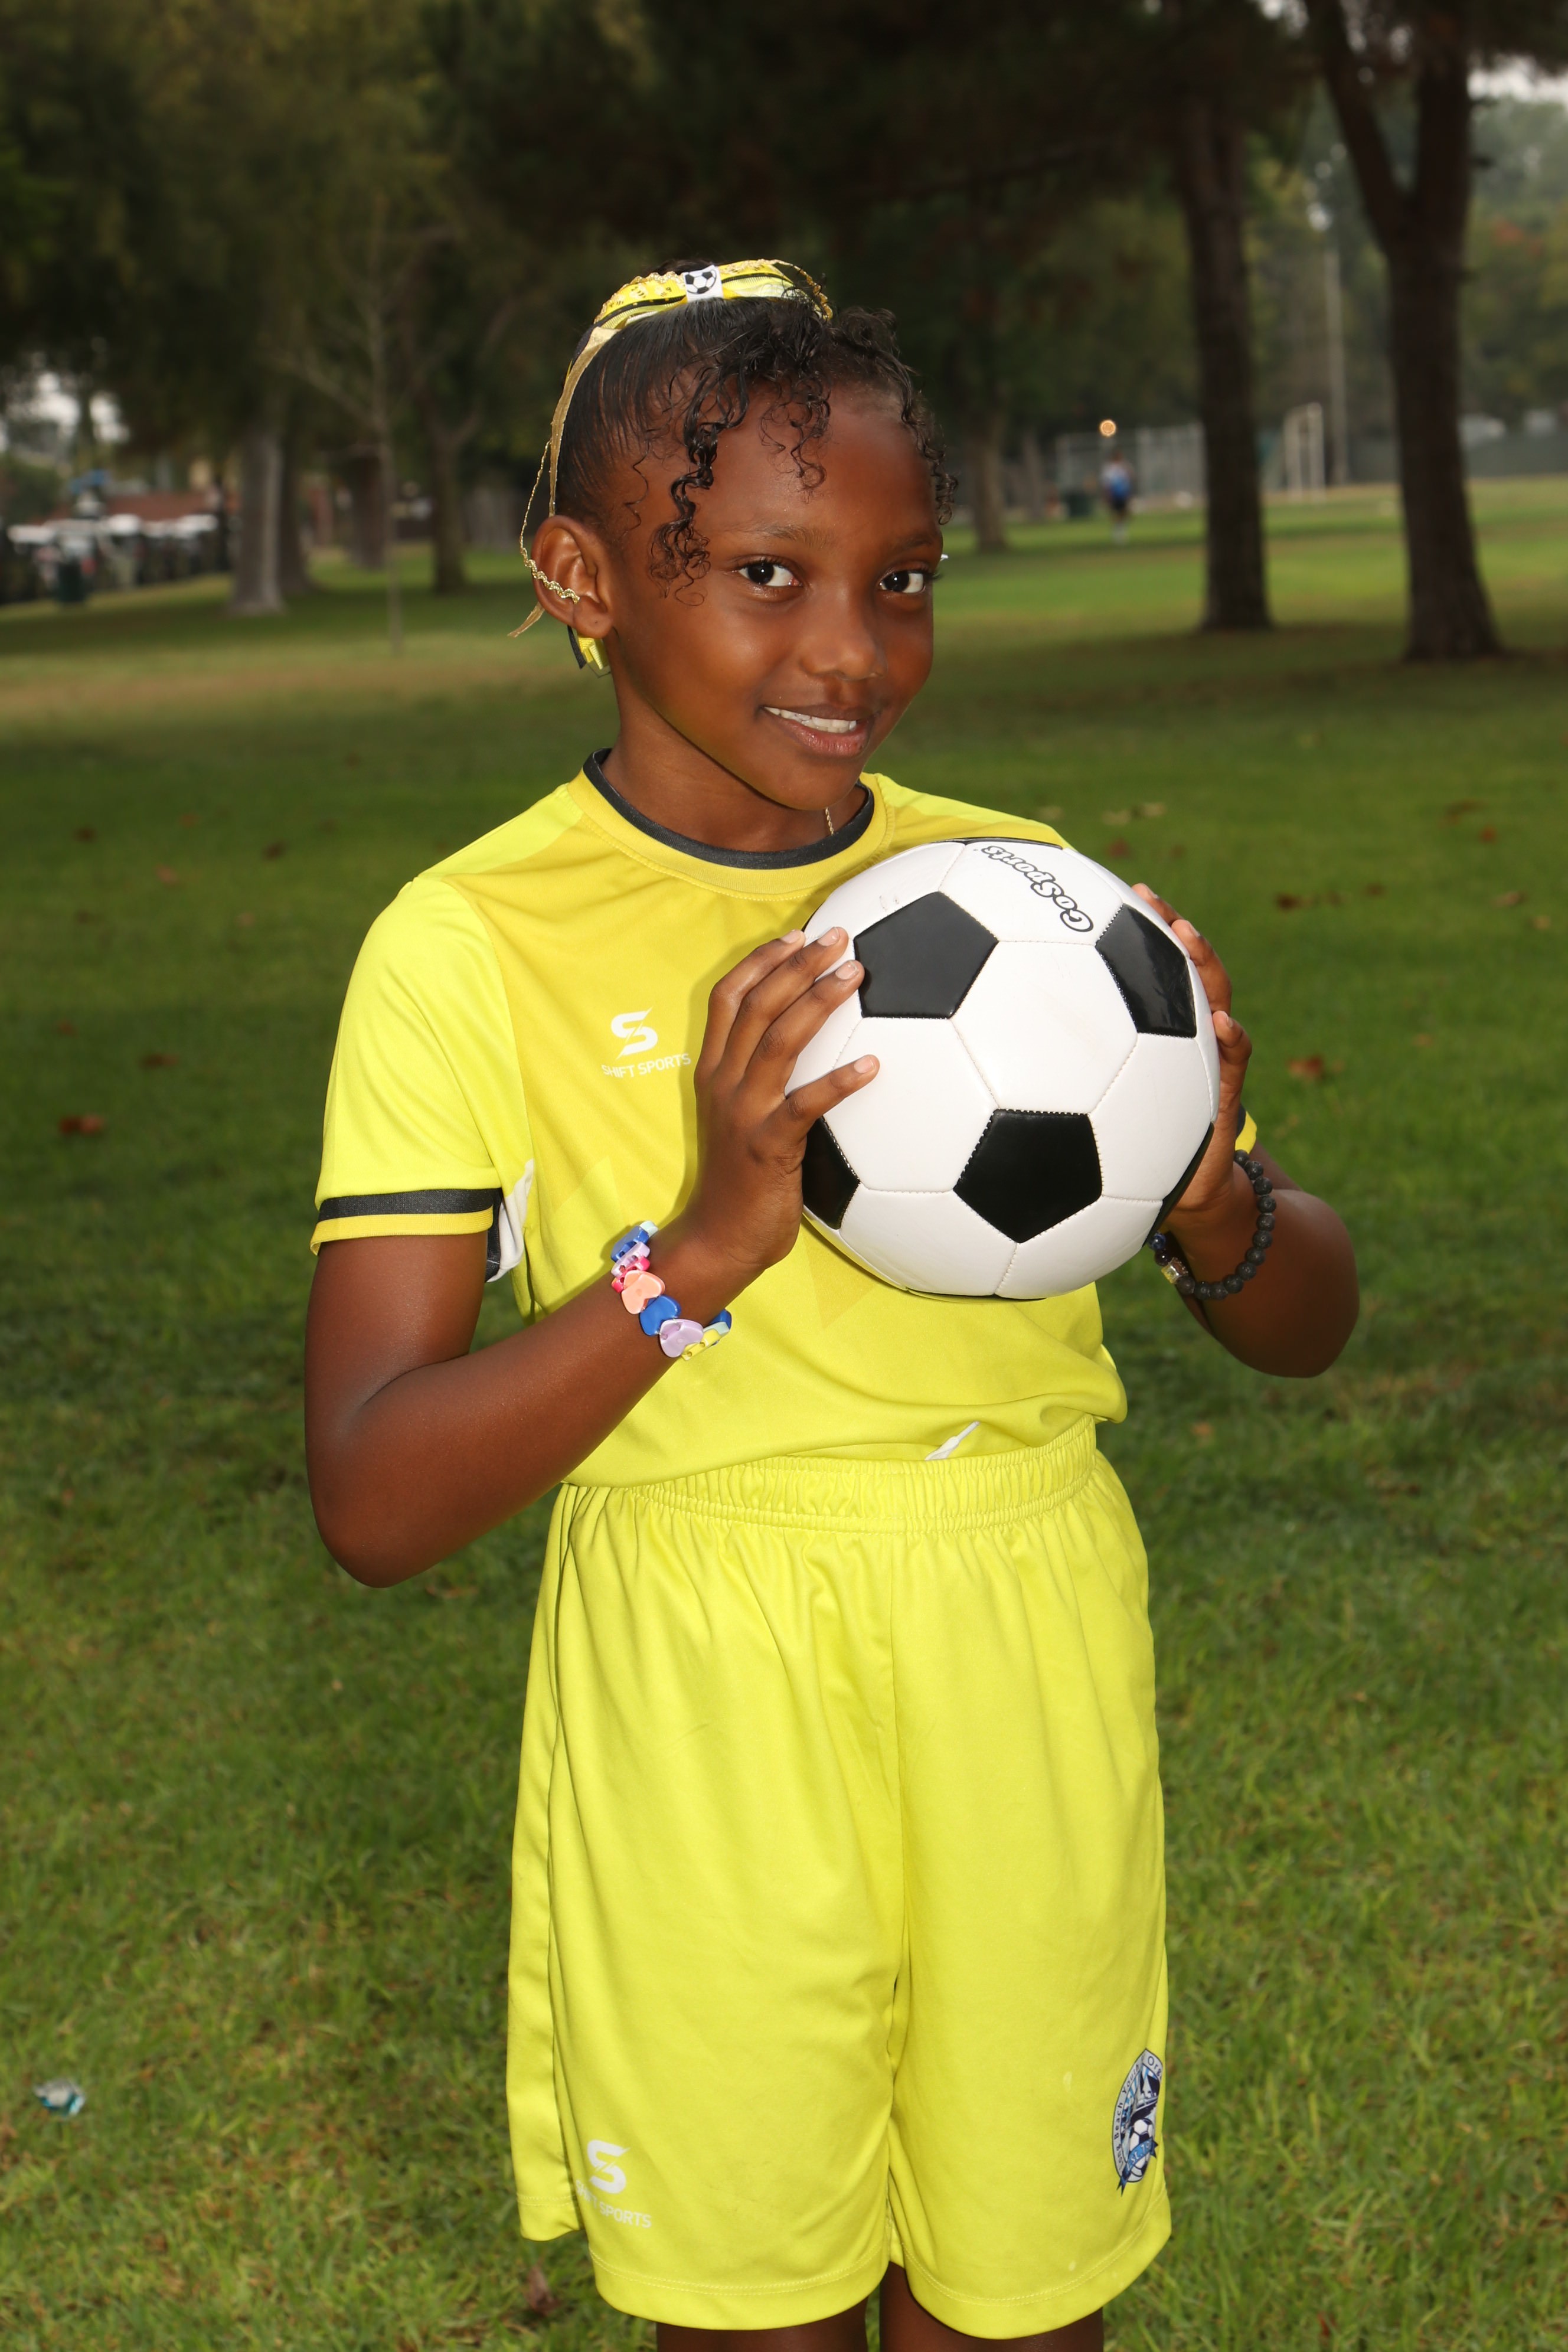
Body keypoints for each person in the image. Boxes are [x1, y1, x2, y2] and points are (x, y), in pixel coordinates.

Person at [304, 259, 1358, 2352]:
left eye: (903, 579)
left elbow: (1305, 1316)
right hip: (700, 1671)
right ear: (581, 577)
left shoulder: (1033, 897)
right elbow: (374, 1493)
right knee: (752, 2306)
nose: (851, 649)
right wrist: (696, 1254)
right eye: (767, 574)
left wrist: (1208, 1181)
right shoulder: (468, 942)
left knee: (1019, 2293)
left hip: (1021, 1626)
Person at [1100, 455, 1132, 544]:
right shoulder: (1109, 469)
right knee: (1116, 514)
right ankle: (1117, 533)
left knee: (1124, 513)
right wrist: (1108, 496)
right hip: (1115, 495)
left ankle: (1121, 531)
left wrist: (1128, 494)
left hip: (1123, 494)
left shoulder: (1124, 467)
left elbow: (1129, 479)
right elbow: (1107, 484)